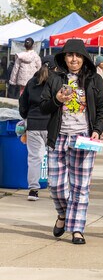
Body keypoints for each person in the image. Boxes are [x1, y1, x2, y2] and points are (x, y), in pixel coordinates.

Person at [40, 39, 103, 245]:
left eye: (78, 55)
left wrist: (97, 130)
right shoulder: (54, 79)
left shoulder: (94, 79)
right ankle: (63, 214)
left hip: (83, 138)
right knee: (56, 185)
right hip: (58, 137)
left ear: (84, 58)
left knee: (80, 187)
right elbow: (43, 106)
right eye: (70, 55)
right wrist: (57, 100)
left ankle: (77, 228)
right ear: (64, 58)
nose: (74, 59)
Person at [19, 55, 56, 201]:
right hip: (51, 124)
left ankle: (33, 190)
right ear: (55, 67)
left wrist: (26, 116)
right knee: (54, 157)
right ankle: (54, 187)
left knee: (34, 158)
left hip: (33, 124)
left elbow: (23, 103)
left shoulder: (31, 82)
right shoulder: (55, 82)